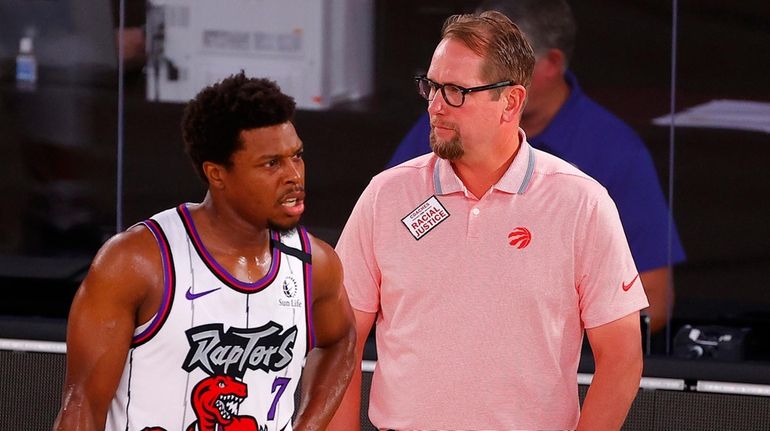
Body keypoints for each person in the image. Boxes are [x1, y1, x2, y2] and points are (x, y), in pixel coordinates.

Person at [330, 11, 648, 431]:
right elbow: (338, 341)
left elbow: (622, 354)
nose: (436, 106)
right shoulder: (385, 196)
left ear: (511, 102)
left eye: (457, 91)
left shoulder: (581, 203)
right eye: (432, 87)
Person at [53, 72, 356, 431]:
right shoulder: (137, 262)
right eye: (271, 163)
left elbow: (340, 341)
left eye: (297, 156)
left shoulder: (315, 265)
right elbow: (82, 405)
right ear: (217, 173)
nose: (294, 175)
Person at [387, 0, 685, 335]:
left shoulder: (615, 152)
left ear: (550, 63)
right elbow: (385, 250)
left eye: (501, 65)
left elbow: (651, 302)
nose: (441, 104)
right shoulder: (445, 125)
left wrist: (542, 340)